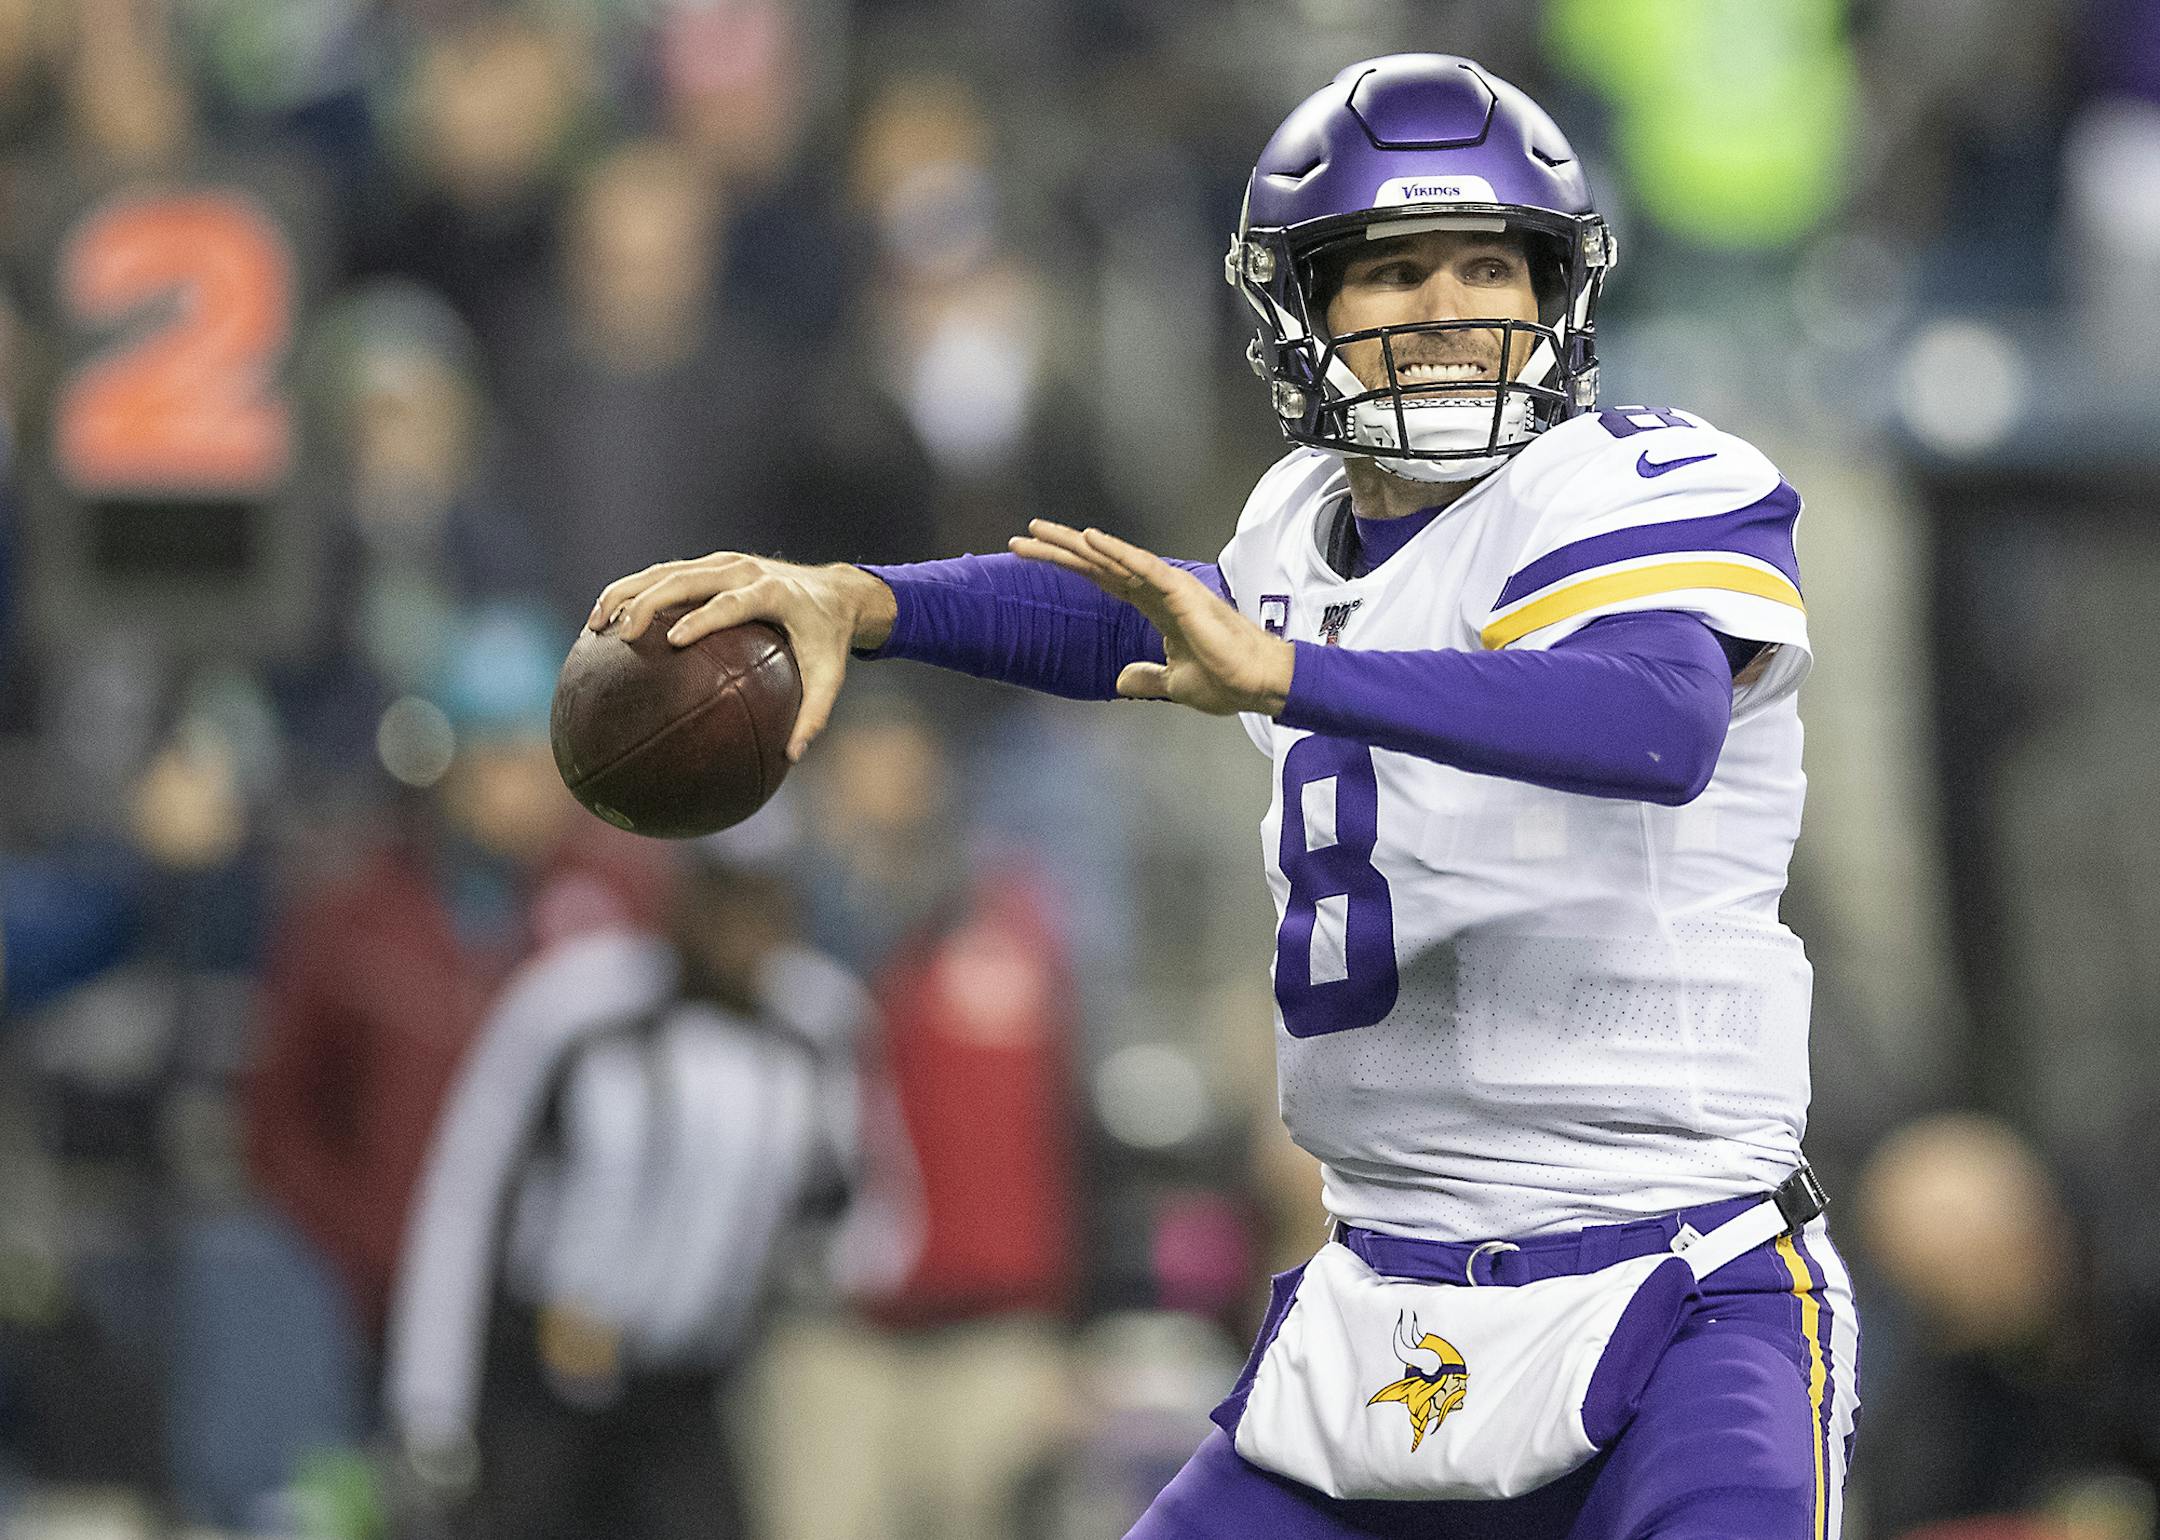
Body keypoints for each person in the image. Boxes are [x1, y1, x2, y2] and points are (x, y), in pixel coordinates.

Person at [591, 53, 1857, 1540]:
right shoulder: (1294, 532)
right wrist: (861, 598)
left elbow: (1654, 719)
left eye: (1487, 265)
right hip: (1391, 1304)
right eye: (1391, 271)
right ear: (1302, 307)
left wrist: (1297, 674)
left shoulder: (1636, 483)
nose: (1448, 308)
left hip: (1675, 1289)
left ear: (1556, 290)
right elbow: (1135, 617)